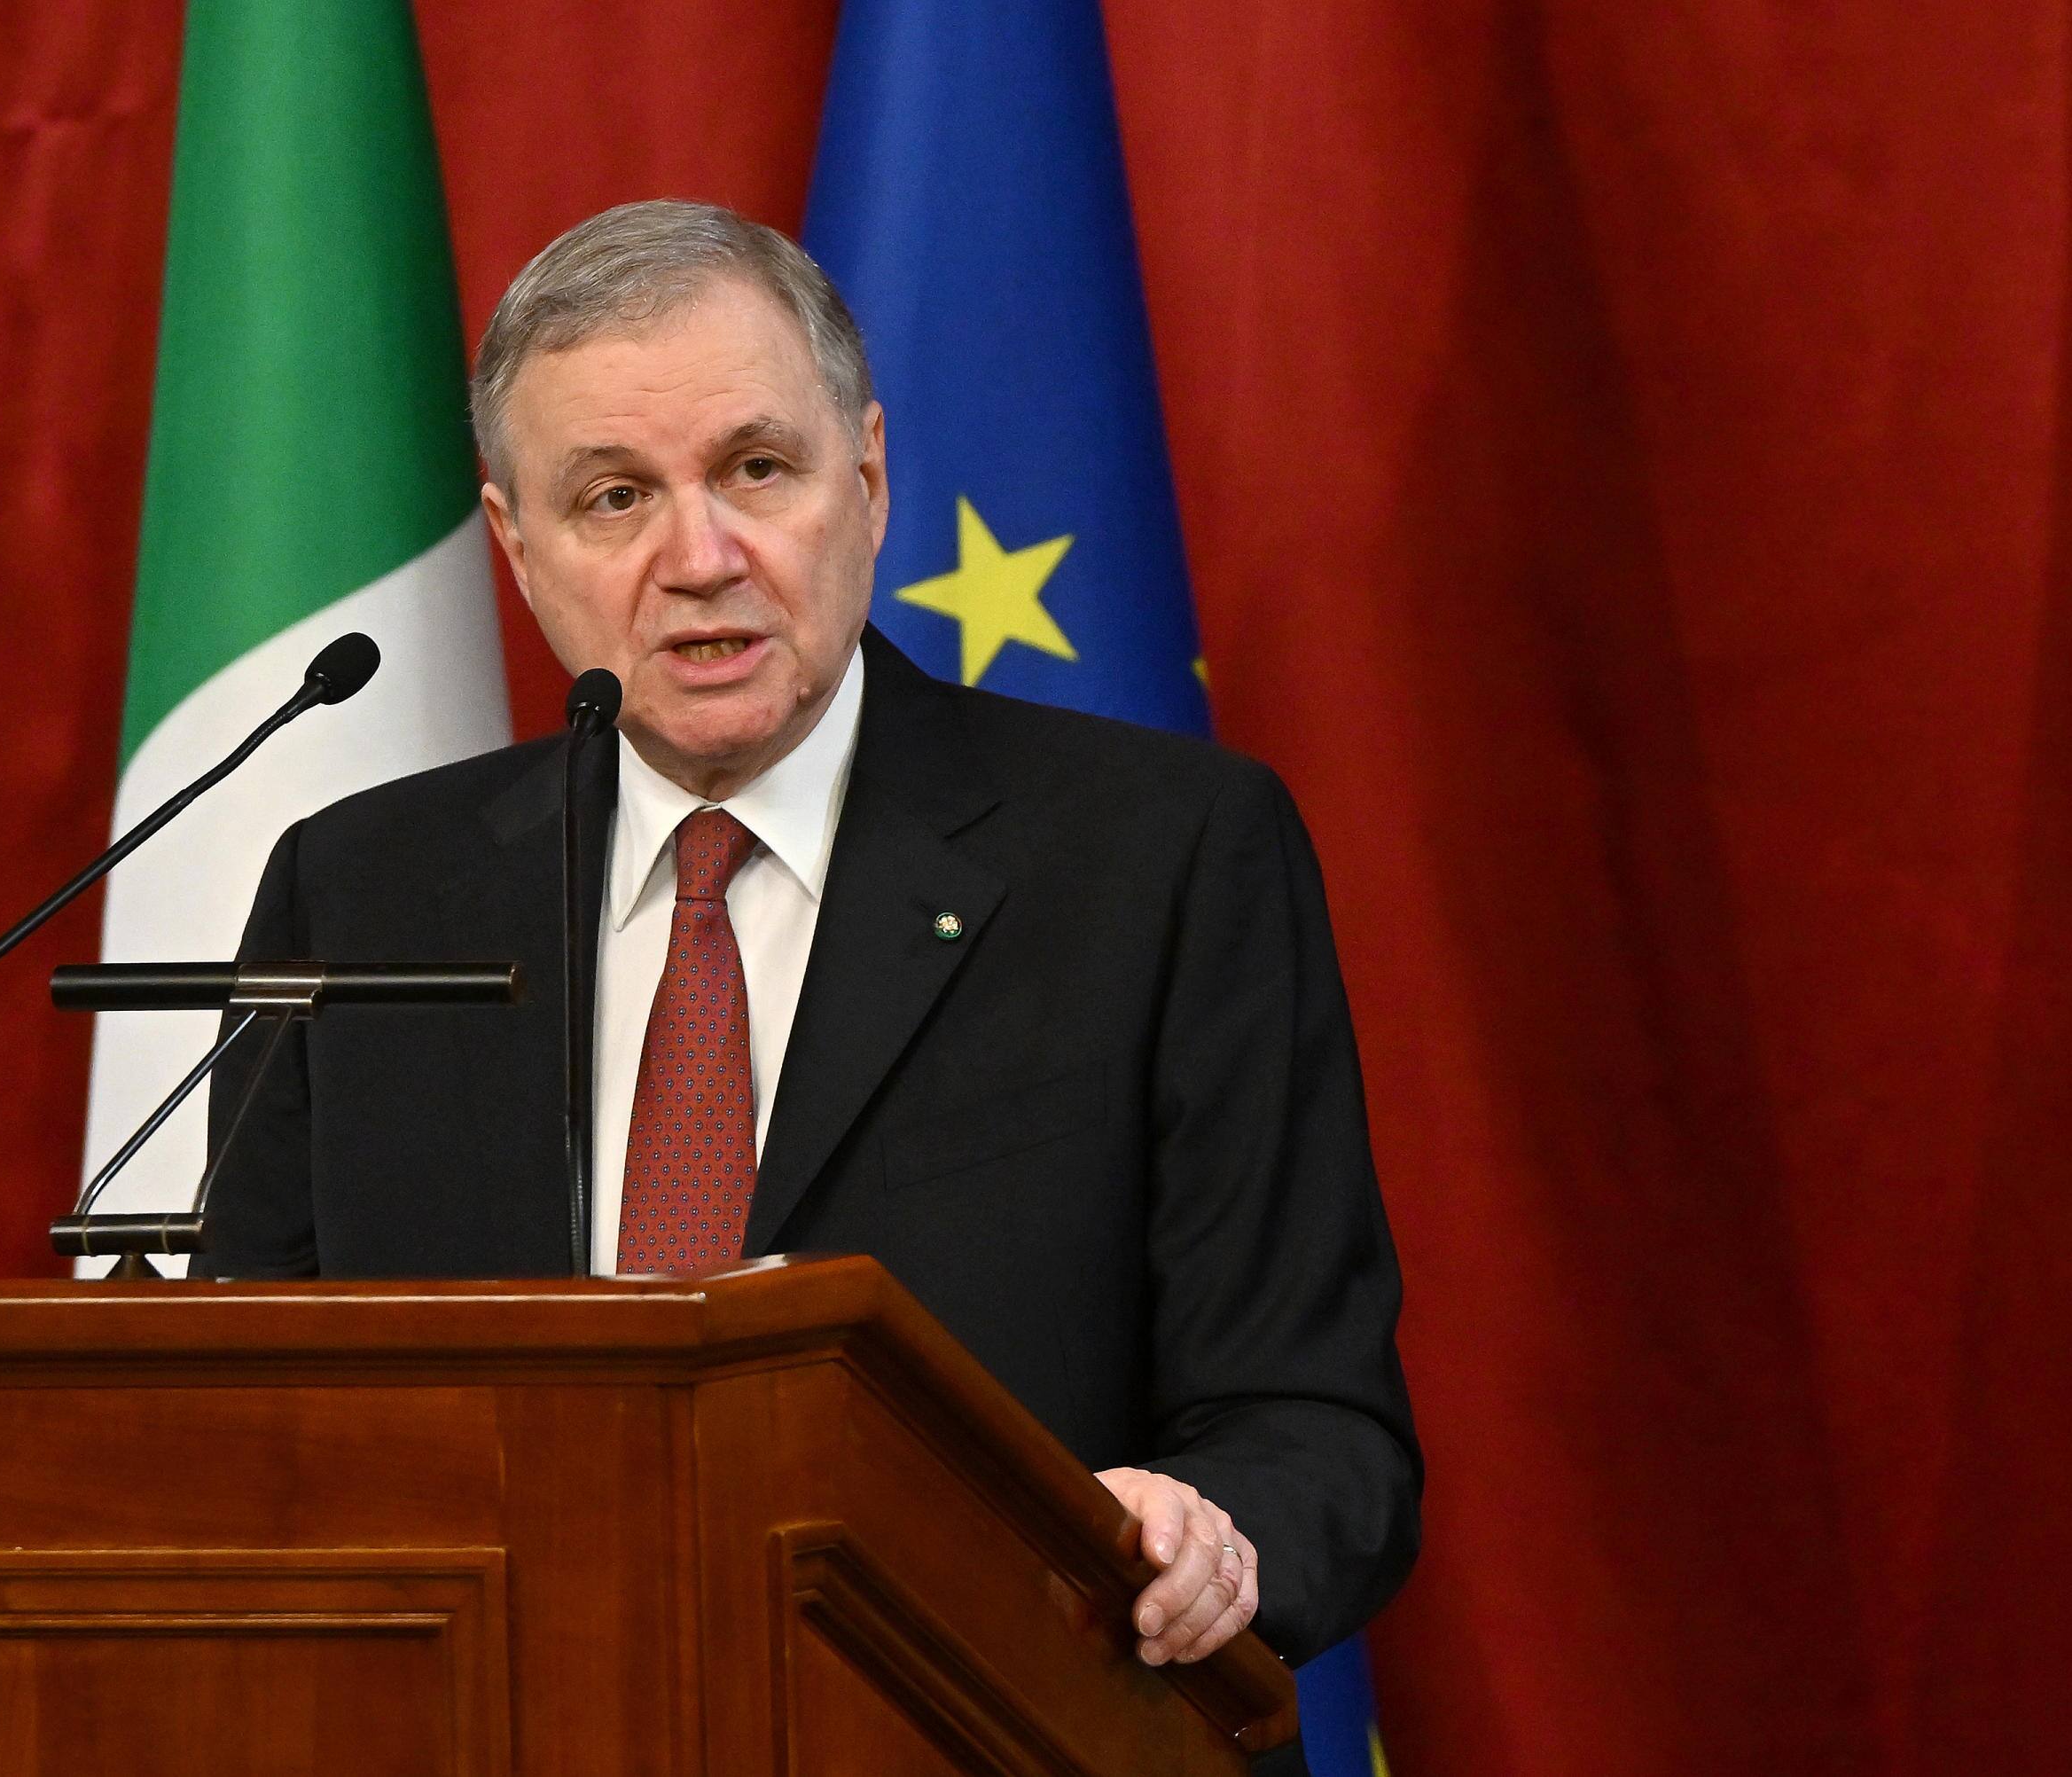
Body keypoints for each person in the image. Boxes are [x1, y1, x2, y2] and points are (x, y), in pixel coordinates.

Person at [197, 200, 1419, 1690]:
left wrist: (1207, 1534)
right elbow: (242, 1422)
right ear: (517, 545)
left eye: (755, 469)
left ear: (870, 479)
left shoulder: (1161, 858)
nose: (699, 556)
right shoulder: (362, 893)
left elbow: (1320, 1435)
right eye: (614, 497)